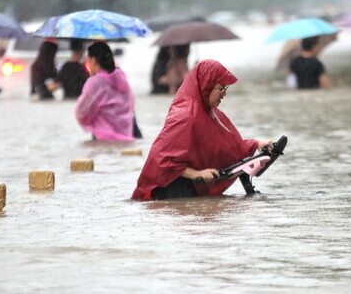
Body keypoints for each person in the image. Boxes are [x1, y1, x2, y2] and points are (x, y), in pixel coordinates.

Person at [132, 59, 272, 200]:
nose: (224, 94)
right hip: (173, 189)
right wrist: (196, 174)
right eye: (221, 88)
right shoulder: (184, 115)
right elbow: (161, 159)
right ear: (207, 86)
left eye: (225, 89)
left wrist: (257, 144)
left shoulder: (211, 114)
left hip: (192, 189)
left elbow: (228, 147)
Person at [74, 41, 136, 141]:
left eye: (88, 60)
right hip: (126, 138)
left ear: (93, 60)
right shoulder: (122, 78)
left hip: (103, 138)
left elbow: (81, 112)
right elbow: (130, 104)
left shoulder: (95, 82)